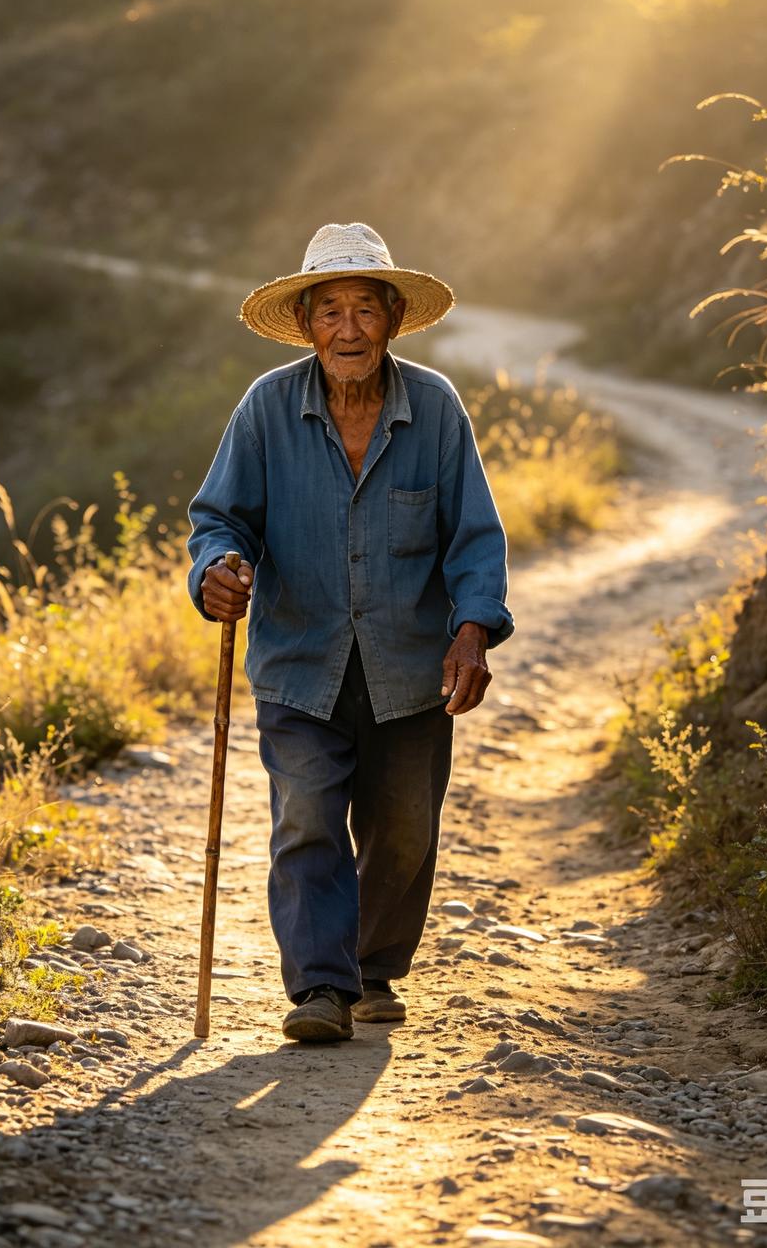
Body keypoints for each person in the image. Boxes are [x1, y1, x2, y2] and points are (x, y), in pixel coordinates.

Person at [187, 222, 513, 1042]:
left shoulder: (435, 410)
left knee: (405, 831)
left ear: (393, 317)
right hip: (302, 662)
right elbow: (220, 518)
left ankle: (371, 967)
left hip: (409, 666)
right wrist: (216, 568)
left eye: (364, 309)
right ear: (306, 326)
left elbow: (475, 534)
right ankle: (320, 990)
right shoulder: (266, 408)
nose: (347, 328)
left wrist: (473, 629)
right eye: (328, 310)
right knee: (307, 819)